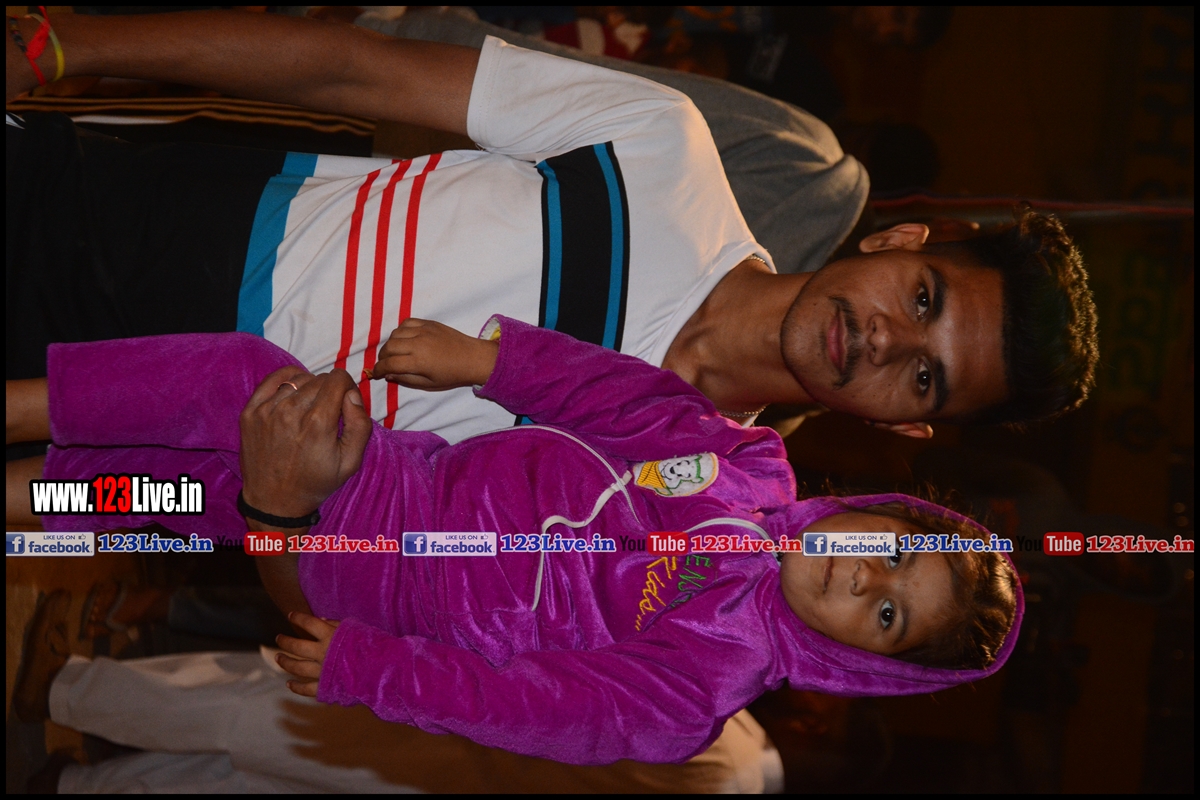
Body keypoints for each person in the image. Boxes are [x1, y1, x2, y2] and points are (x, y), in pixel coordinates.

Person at [7, 10, 1098, 445]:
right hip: (147, 222)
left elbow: (359, 574)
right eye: (923, 302)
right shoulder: (662, 149)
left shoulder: (673, 492)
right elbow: (351, 68)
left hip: (154, 446)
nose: (889, 341)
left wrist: (279, 517)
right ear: (900, 246)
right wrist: (71, 47)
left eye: (926, 379)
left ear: (912, 429)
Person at [7, 316, 1021, 765]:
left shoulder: (700, 690)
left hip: (389, 591)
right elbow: (627, 400)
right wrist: (493, 362)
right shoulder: (750, 467)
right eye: (897, 553)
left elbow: (528, 706)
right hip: (398, 475)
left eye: (887, 615)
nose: (865, 578)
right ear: (888, 512)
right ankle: (26, 466)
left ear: (862, 661)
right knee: (188, 483)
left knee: (241, 381)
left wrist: (374, 669)